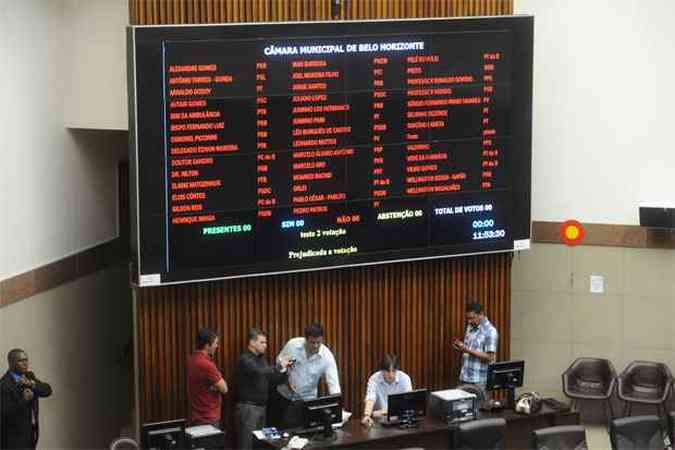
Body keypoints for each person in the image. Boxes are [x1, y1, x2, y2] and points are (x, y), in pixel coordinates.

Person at [274, 322, 340, 428]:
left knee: (306, 434)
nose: (315, 346)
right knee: (283, 434)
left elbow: (334, 385)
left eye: (319, 342)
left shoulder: (327, 356)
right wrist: (284, 370)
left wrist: (337, 408)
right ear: (305, 339)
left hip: (307, 400)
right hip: (284, 397)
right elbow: (279, 363)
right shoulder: (293, 345)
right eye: (312, 342)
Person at [234, 328, 291, 450]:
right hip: (248, 409)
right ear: (252, 342)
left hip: (262, 408)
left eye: (266, 342)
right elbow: (259, 372)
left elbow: (270, 380)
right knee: (246, 445)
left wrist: (285, 371)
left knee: (260, 445)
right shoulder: (245, 360)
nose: (266, 345)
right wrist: (279, 366)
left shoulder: (261, 359)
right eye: (262, 342)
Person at [0, 349, 52, 449]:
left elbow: (47, 390)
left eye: (26, 360)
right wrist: (24, 400)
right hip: (13, 439)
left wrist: (32, 384)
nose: (25, 363)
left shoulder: (29, 376)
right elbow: (4, 412)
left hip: (31, 434)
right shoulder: (4, 384)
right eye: (21, 361)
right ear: (11, 363)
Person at [452, 302, 498, 397]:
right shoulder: (470, 327)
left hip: (479, 381)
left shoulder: (490, 331)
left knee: (480, 410)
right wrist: (461, 347)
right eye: (468, 318)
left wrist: (467, 350)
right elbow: (469, 349)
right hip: (464, 377)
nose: (469, 321)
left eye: (472, 318)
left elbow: (490, 357)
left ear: (481, 314)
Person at [187, 328, 228, 427]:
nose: (217, 346)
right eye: (215, 343)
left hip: (196, 416)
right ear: (207, 345)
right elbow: (224, 388)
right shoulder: (206, 364)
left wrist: (213, 385)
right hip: (208, 418)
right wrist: (215, 385)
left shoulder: (191, 360)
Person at [361, 353, 413, 427]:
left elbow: (408, 402)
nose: (391, 375)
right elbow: (370, 398)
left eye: (394, 371)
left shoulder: (404, 378)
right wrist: (367, 415)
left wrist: (384, 411)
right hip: (379, 421)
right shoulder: (374, 379)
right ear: (382, 370)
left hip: (400, 419)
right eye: (388, 371)